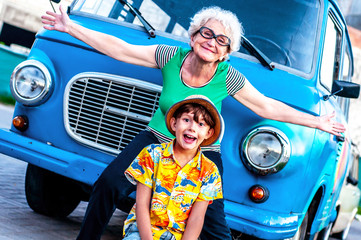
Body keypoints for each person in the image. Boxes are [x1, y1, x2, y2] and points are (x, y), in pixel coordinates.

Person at [42, 5, 346, 240]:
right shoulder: (170, 56)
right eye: (206, 33)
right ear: (193, 36)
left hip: (203, 151)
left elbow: (266, 106)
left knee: (213, 222)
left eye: (221, 40)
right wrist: (71, 27)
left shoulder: (228, 77)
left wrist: (317, 122)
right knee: (108, 185)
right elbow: (121, 49)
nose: (212, 42)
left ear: (227, 53)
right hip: (157, 137)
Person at [123, 95, 223, 240]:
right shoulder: (152, 154)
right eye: (186, 120)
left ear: (209, 133)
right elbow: (142, 204)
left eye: (201, 124)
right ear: (174, 123)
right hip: (142, 231)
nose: (192, 128)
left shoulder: (210, 171)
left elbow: (197, 219)